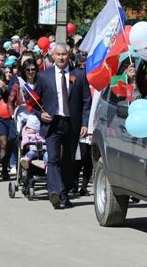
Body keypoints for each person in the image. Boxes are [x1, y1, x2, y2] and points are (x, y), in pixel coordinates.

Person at [33, 43, 91, 210]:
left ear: (68, 55)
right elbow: (33, 102)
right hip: (52, 123)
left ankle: (63, 193)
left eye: (64, 54)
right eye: (58, 54)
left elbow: (86, 101)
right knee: (53, 159)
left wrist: (85, 123)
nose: (61, 57)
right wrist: (39, 114)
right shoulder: (44, 76)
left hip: (72, 123)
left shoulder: (79, 75)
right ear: (53, 56)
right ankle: (55, 192)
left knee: (69, 161)